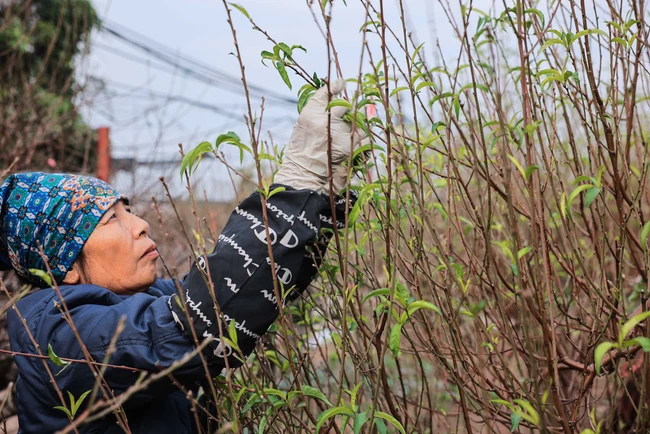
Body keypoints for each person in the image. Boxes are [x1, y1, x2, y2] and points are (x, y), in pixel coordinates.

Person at [0, 80, 362, 433]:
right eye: (110, 219)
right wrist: (298, 180)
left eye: (129, 211)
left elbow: (251, 289)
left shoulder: (143, 300)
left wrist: (322, 200)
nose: (140, 224)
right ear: (65, 268)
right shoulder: (59, 338)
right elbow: (201, 317)